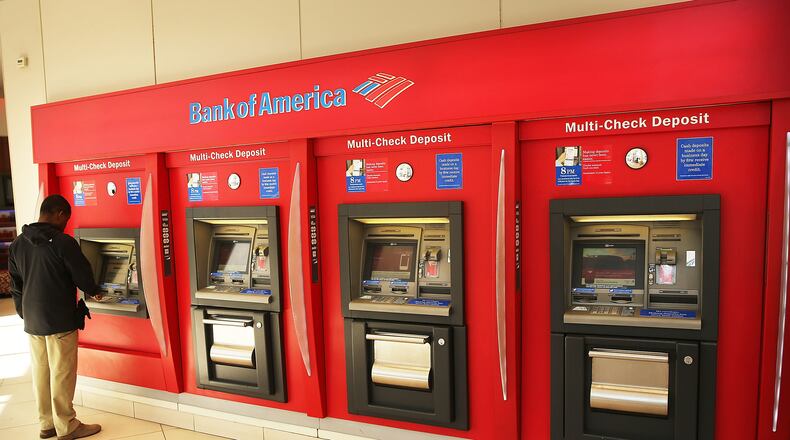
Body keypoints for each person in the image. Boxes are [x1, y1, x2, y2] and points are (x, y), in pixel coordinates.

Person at [9, 195, 103, 440]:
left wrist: (24, 312)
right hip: (60, 319)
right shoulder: (63, 242)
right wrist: (95, 290)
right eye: (67, 218)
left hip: (33, 320)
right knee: (61, 372)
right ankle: (67, 426)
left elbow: (15, 286)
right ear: (59, 213)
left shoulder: (18, 244)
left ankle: (47, 424)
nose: (66, 224)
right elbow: (82, 275)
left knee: (41, 372)